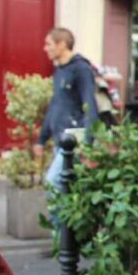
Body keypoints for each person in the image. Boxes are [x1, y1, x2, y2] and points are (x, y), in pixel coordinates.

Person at [35, 27, 100, 189]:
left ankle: (57, 216)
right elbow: (55, 105)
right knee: (67, 188)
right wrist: (42, 139)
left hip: (74, 140)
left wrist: (88, 143)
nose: (45, 48)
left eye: (49, 44)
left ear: (62, 44)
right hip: (60, 140)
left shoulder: (81, 69)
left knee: (53, 182)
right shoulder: (59, 70)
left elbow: (90, 105)